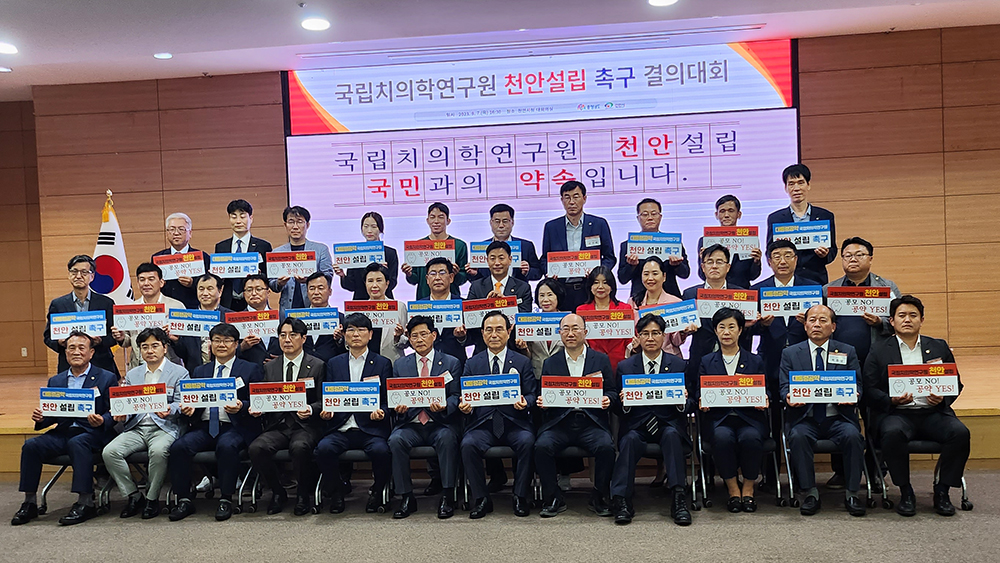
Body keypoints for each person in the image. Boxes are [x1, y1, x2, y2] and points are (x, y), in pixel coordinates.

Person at [863, 295, 970, 517]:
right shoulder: (879, 349)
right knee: (892, 433)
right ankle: (906, 492)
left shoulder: (938, 346)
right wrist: (891, 400)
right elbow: (870, 388)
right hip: (897, 414)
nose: (907, 320)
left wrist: (942, 398)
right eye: (901, 315)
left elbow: (955, 383)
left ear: (921, 320)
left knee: (960, 433)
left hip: (933, 412)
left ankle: (942, 490)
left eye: (913, 315)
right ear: (891, 321)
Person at [12, 332, 117, 526]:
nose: (76, 352)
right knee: (31, 446)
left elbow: (115, 411)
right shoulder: (56, 381)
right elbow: (53, 414)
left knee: (78, 443)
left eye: (81, 348)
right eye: (71, 348)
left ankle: (86, 502)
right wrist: (42, 418)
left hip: (93, 433)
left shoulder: (106, 378)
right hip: (64, 431)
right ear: (65, 352)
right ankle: (29, 502)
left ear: (91, 353)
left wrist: (103, 420)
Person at [167, 323, 264, 522]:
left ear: (236, 344)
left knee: (226, 446)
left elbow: (258, 401)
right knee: (179, 447)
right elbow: (192, 402)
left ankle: (226, 499)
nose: (221, 345)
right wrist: (189, 409)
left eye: (227, 341)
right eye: (217, 340)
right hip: (204, 426)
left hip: (235, 426)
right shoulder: (200, 371)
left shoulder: (250, 369)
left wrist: (242, 406)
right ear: (210, 344)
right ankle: (183, 499)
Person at [780, 305, 866, 517]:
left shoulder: (847, 351)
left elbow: (857, 385)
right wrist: (788, 396)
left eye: (823, 320)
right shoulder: (790, 353)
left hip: (838, 417)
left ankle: (852, 493)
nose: (816, 324)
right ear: (805, 325)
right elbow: (784, 386)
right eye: (812, 320)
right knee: (798, 436)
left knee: (853, 436)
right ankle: (810, 493)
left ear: (833, 326)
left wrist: (854, 395)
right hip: (805, 418)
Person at [610, 314, 692, 526]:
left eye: (655, 333)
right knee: (629, 440)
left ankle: (679, 498)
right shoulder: (626, 367)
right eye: (645, 333)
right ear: (638, 337)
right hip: (637, 425)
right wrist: (624, 402)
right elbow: (617, 406)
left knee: (672, 435)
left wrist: (682, 402)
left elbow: (692, 402)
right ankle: (622, 500)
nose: (650, 338)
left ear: (664, 336)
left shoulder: (679, 365)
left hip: (668, 424)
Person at [534, 313, 617, 518]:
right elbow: (544, 393)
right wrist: (542, 402)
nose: (570, 333)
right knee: (541, 446)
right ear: (560, 333)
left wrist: (608, 398)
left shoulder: (600, 359)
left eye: (575, 328)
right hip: (560, 422)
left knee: (606, 447)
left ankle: (599, 495)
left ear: (585, 332)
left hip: (591, 422)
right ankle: (553, 497)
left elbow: (612, 391)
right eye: (566, 329)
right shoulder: (550, 363)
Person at [102, 328, 187, 519]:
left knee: (158, 451)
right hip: (137, 427)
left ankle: (152, 498)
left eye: (155, 346)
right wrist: (122, 413)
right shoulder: (133, 374)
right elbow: (127, 403)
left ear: (165, 348)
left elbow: (182, 403)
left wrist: (170, 409)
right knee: (110, 452)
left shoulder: (180, 372)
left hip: (165, 427)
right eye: (144, 347)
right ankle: (133, 495)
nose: (150, 351)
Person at [459, 311, 536, 519]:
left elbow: (532, 394)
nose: (494, 334)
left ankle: (520, 496)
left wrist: (526, 402)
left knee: (528, 442)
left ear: (509, 332)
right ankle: (481, 498)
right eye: (489, 330)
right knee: (468, 444)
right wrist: (465, 406)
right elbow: (464, 396)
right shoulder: (472, 363)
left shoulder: (522, 362)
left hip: (514, 423)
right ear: (482, 333)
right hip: (483, 424)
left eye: (499, 329)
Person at [315, 313, 393, 514]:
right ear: (344, 335)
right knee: (323, 449)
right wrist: (326, 412)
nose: (356, 334)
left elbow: (387, 400)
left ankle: (377, 492)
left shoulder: (383, 363)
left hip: (370, 428)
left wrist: (382, 412)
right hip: (340, 426)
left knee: (382, 451)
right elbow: (328, 397)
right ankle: (336, 492)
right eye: (351, 330)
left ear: (370, 335)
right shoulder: (334, 363)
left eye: (361, 330)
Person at [247, 317, 326, 516]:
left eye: (293, 335)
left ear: (303, 338)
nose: (287, 340)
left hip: (305, 425)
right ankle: (277, 492)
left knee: (299, 447)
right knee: (256, 448)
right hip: (278, 425)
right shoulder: (270, 366)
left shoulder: (317, 365)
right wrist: (258, 408)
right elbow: (264, 397)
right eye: (282, 335)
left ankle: (302, 494)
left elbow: (323, 400)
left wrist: (311, 409)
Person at [387, 316, 462, 519]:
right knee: (395, 440)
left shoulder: (451, 362)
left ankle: (448, 495)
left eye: (423, 334)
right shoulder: (400, 365)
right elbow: (395, 397)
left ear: (434, 335)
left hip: (440, 422)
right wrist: (398, 408)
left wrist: (446, 405)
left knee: (447, 438)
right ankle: (406, 497)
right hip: (411, 423)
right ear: (409, 339)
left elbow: (456, 395)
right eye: (414, 336)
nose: (419, 339)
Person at [697, 308, 769, 514]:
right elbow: (699, 390)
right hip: (719, 418)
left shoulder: (754, 360)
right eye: (722, 327)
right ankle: (733, 489)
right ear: (715, 331)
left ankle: (748, 488)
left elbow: (766, 390)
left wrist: (764, 398)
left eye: (731, 327)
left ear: (740, 330)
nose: (726, 332)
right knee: (722, 438)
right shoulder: (706, 361)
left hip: (749, 418)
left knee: (751, 438)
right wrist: (702, 400)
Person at [541, 181, 617, 312]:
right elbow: (544, 259)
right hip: (561, 290)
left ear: (584, 198)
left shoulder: (599, 224)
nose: (571, 202)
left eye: (576, 197)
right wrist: (550, 273)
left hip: (589, 291)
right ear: (562, 200)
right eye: (567, 197)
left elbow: (610, 257)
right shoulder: (551, 227)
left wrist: (597, 273)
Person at [825, 237, 900, 365]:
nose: (853, 259)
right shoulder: (828, 290)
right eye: (848, 256)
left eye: (859, 255)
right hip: (838, 356)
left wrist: (880, 322)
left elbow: (900, 319)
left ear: (870, 259)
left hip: (877, 356)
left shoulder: (887, 287)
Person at [682, 244, 746, 391]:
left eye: (719, 262)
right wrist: (686, 330)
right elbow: (681, 329)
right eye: (710, 262)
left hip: (735, 356)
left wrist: (749, 324)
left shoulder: (741, 294)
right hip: (701, 355)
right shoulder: (690, 294)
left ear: (728, 267)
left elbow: (749, 328)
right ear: (703, 267)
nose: (714, 266)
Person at [43, 255, 119, 379]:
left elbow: (114, 337)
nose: (78, 276)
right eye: (74, 272)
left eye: (84, 272)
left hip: (101, 364)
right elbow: (47, 337)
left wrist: (101, 341)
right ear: (69, 275)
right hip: (69, 367)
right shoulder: (58, 304)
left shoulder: (106, 303)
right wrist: (60, 343)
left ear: (92, 276)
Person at [766, 164, 836, 284]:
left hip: (816, 278)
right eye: (791, 184)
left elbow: (833, 250)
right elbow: (770, 251)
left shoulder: (825, 216)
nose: (796, 188)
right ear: (786, 188)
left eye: (800, 183)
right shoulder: (775, 218)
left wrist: (825, 254)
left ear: (808, 185)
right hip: (786, 280)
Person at [111, 263, 186, 371]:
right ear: (137, 283)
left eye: (151, 279)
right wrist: (121, 338)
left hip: (169, 366)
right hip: (138, 366)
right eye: (142, 280)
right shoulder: (130, 308)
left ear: (161, 282)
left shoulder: (176, 306)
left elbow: (186, 342)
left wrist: (174, 337)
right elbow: (128, 341)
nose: (146, 283)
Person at [465, 240, 533, 354]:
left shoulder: (523, 287)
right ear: (487, 261)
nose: (497, 263)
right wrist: (487, 305)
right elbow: (469, 319)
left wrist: (506, 303)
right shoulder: (476, 286)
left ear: (510, 260)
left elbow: (524, 318)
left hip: (513, 349)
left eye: (501, 258)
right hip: (483, 350)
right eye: (492, 258)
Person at [618, 198, 690, 298]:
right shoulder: (628, 245)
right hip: (640, 299)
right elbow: (622, 279)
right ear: (638, 218)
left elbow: (685, 273)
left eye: (654, 214)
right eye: (645, 214)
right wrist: (632, 266)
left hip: (670, 297)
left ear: (660, 217)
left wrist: (677, 265)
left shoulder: (672, 243)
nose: (650, 218)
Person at [269, 205, 334, 316]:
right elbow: (272, 283)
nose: (295, 227)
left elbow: (328, 277)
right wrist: (279, 283)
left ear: (307, 225)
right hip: (287, 310)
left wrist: (309, 280)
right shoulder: (277, 253)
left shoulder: (320, 249)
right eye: (291, 222)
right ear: (285, 225)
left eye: (299, 222)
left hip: (314, 307)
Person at [627, 256, 694, 357]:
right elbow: (629, 335)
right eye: (646, 274)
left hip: (669, 357)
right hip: (641, 357)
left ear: (664, 277)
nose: (650, 278)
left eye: (655, 273)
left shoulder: (675, 302)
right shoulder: (633, 302)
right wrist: (635, 346)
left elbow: (676, 342)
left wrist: (682, 332)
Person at [401, 202, 469, 300]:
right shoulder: (418, 246)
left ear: (448, 221)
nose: (436, 221)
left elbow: (463, 279)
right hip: (424, 299)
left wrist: (456, 273)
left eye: (441, 217)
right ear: (427, 220)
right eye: (432, 217)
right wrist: (409, 274)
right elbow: (414, 280)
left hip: (451, 300)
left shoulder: (459, 245)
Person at [214, 199, 272, 312]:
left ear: (251, 218)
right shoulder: (221, 247)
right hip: (228, 302)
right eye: (233, 217)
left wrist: (259, 275)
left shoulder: (263, 246)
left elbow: (269, 276)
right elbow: (219, 280)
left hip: (254, 301)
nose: (238, 221)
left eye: (242, 216)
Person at [576, 266, 635, 373]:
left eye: (605, 283)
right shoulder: (582, 310)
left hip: (620, 363)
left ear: (612, 286)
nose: (600, 287)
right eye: (596, 282)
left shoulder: (624, 309)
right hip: (592, 365)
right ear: (590, 286)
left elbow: (629, 340)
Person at [696, 195, 762, 289]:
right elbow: (702, 275)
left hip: (741, 291)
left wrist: (757, 262)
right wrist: (704, 260)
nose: (726, 215)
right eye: (722, 211)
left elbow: (753, 276)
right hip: (715, 291)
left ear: (739, 214)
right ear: (716, 215)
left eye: (731, 211)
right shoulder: (705, 241)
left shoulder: (750, 240)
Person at [467, 203, 543, 282]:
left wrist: (527, 271)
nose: (501, 225)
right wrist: (474, 274)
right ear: (491, 223)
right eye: (497, 221)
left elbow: (538, 273)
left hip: (518, 289)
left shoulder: (526, 246)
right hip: (488, 290)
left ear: (512, 222)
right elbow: (478, 280)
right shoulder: (480, 249)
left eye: (505, 221)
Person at [173, 273, 232, 372]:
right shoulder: (187, 318)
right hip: (195, 373)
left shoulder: (230, 317)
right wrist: (176, 341)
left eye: (210, 289)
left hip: (225, 371)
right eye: (201, 289)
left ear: (220, 291)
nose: (205, 293)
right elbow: (183, 353)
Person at [337, 211, 400, 300]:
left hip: (383, 302)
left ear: (380, 229)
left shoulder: (390, 253)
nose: (369, 230)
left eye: (373, 227)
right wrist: (342, 275)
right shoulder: (355, 252)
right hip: (360, 301)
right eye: (366, 226)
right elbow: (351, 286)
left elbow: (392, 283)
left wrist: (384, 273)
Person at [421, 257, 469, 373]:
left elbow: (475, 337)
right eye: (433, 273)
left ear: (451, 277)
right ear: (427, 279)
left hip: (458, 365)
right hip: (427, 367)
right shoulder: (419, 308)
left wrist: (461, 338)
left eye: (442, 273)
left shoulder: (463, 305)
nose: (437, 278)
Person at [151, 212, 207, 309]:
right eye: (172, 229)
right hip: (166, 309)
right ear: (167, 233)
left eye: (181, 229)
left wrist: (192, 283)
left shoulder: (202, 257)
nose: (176, 233)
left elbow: (209, 285)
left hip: (193, 309)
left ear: (190, 233)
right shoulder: (158, 258)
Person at [516, 278, 569, 378]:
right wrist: (524, 348)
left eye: (550, 295)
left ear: (558, 296)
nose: (545, 300)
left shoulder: (568, 321)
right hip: (537, 374)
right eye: (541, 295)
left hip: (562, 374)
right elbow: (529, 356)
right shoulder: (530, 322)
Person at [359, 262, 408, 363]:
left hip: (392, 362)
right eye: (370, 281)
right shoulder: (359, 309)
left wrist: (398, 337)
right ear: (365, 284)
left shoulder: (399, 307)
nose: (374, 285)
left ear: (387, 283)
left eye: (379, 280)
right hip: (364, 363)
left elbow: (407, 341)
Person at [301, 272, 347, 362]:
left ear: (330, 291)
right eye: (312, 288)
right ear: (307, 292)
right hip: (304, 367)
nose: (316, 292)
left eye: (320, 288)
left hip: (330, 367)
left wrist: (340, 339)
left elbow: (346, 350)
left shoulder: (341, 318)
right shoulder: (299, 318)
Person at [236, 273, 279, 366]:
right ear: (244, 294)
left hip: (277, 370)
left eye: (259, 289)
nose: (254, 293)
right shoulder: (236, 320)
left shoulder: (280, 317)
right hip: (248, 370)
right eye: (249, 290)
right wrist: (242, 347)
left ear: (268, 292)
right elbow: (228, 352)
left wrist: (282, 359)